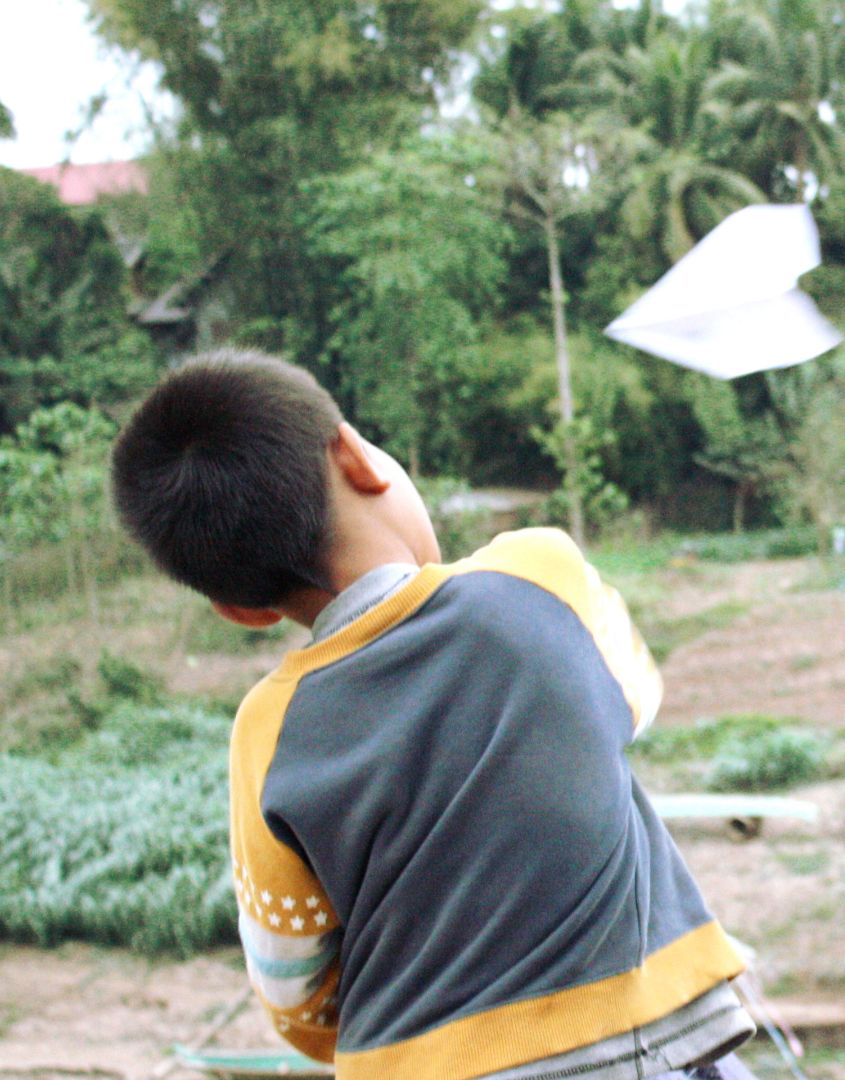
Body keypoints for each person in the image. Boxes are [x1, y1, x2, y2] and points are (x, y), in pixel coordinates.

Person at [110, 350, 756, 1079]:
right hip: (629, 1046)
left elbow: (290, 983)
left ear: (239, 609)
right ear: (357, 457)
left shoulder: (267, 732)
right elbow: (634, 700)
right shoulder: (538, 577)